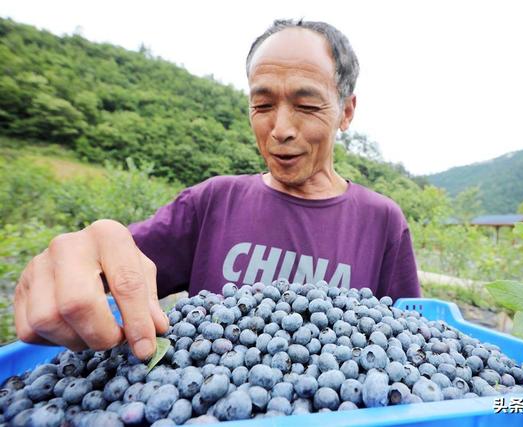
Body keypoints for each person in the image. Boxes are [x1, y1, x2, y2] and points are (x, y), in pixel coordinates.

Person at [13, 19, 421, 361]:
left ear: (346, 112)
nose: (280, 130)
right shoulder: (212, 202)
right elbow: (111, 270)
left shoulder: (382, 221)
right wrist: (70, 265)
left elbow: (413, 347)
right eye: (262, 105)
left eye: (308, 105)